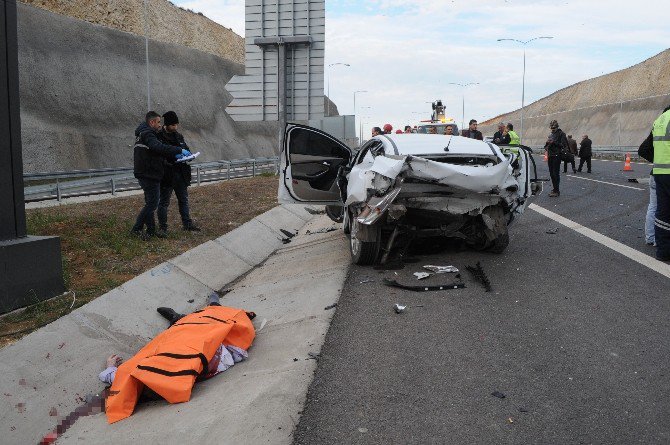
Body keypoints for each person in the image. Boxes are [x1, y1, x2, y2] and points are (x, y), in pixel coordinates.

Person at [102, 292, 256, 423]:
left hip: (175, 342)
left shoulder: (134, 375)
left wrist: (110, 366)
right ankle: (211, 306)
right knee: (209, 323)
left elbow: (111, 377)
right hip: (196, 343)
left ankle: (180, 318)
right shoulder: (175, 375)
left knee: (176, 333)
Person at [132, 112, 186, 239]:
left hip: (147, 172)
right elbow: (158, 147)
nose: (160, 125)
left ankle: (151, 230)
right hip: (149, 174)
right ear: (151, 122)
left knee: (150, 203)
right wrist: (179, 150)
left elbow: (154, 153)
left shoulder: (144, 133)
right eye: (158, 122)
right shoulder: (148, 134)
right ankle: (136, 229)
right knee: (152, 204)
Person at [157, 111, 200, 233]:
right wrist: (174, 155)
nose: (175, 127)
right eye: (173, 125)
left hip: (181, 173)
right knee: (164, 202)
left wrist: (190, 156)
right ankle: (163, 228)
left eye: (177, 125)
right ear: (167, 124)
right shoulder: (159, 136)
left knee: (184, 200)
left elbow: (186, 149)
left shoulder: (179, 136)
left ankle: (187, 224)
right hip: (167, 174)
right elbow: (161, 152)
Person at [638, 105, 670, 261]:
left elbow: (643, 149)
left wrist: (657, 161)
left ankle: (657, 243)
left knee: (659, 210)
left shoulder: (660, 120)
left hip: (658, 173)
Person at [544, 119, 568, 197]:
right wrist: (547, 144)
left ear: (557, 127)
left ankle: (557, 191)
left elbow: (563, 145)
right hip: (550, 155)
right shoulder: (550, 135)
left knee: (555, 173)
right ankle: (554, 189)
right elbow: (546, 147)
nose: (552, 129)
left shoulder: (562, 134)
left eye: (554, 128)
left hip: (557, 155)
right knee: (551, 174)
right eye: (551, 128)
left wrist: (553, 142)